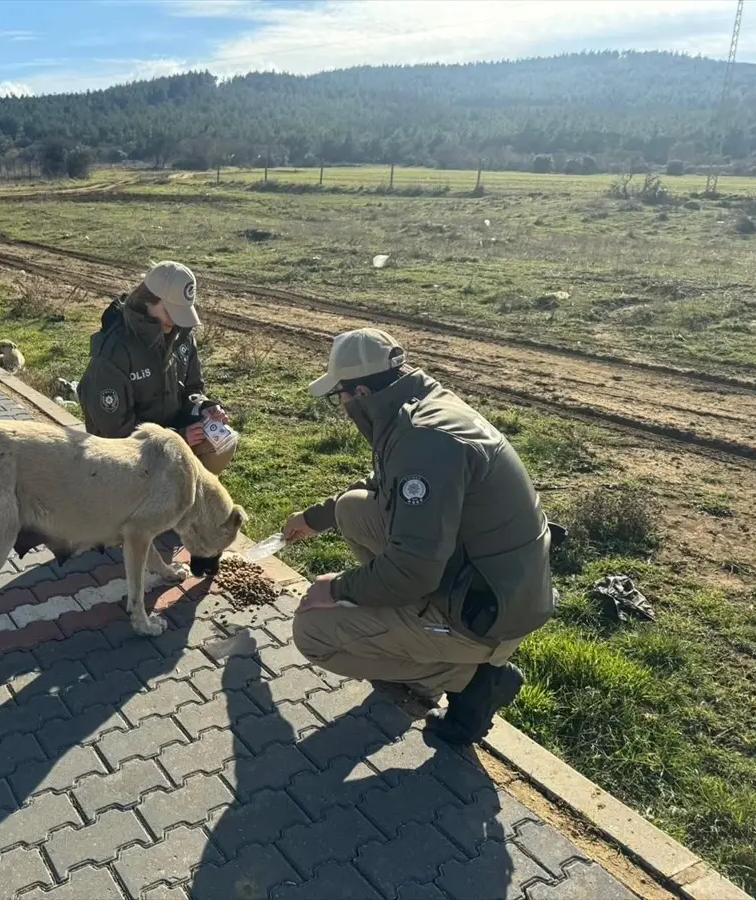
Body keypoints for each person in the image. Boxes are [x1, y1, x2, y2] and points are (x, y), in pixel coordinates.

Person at [283, 327, 557, 745]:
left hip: (485, 612)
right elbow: (382, 487)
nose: (339, 405)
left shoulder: (425, 439)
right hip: (485, 577)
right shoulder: (417, 409)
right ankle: (419, 629)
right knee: (351, 509)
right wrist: (314, 517)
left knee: (312, 632)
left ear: (357, 392)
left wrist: (337, 588)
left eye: (338, 395)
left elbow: (413, 569)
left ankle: (469, 679)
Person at [78, 261, 234, 475]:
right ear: (148, 301)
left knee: (223, 442)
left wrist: (204, 408)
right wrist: (176, 439)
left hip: (172, 438)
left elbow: (192, 388)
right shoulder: (114, 352)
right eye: (171, 311)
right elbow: (116, 431)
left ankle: (192, 501)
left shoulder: (182, 336)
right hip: (125, 458)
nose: (176, 322)